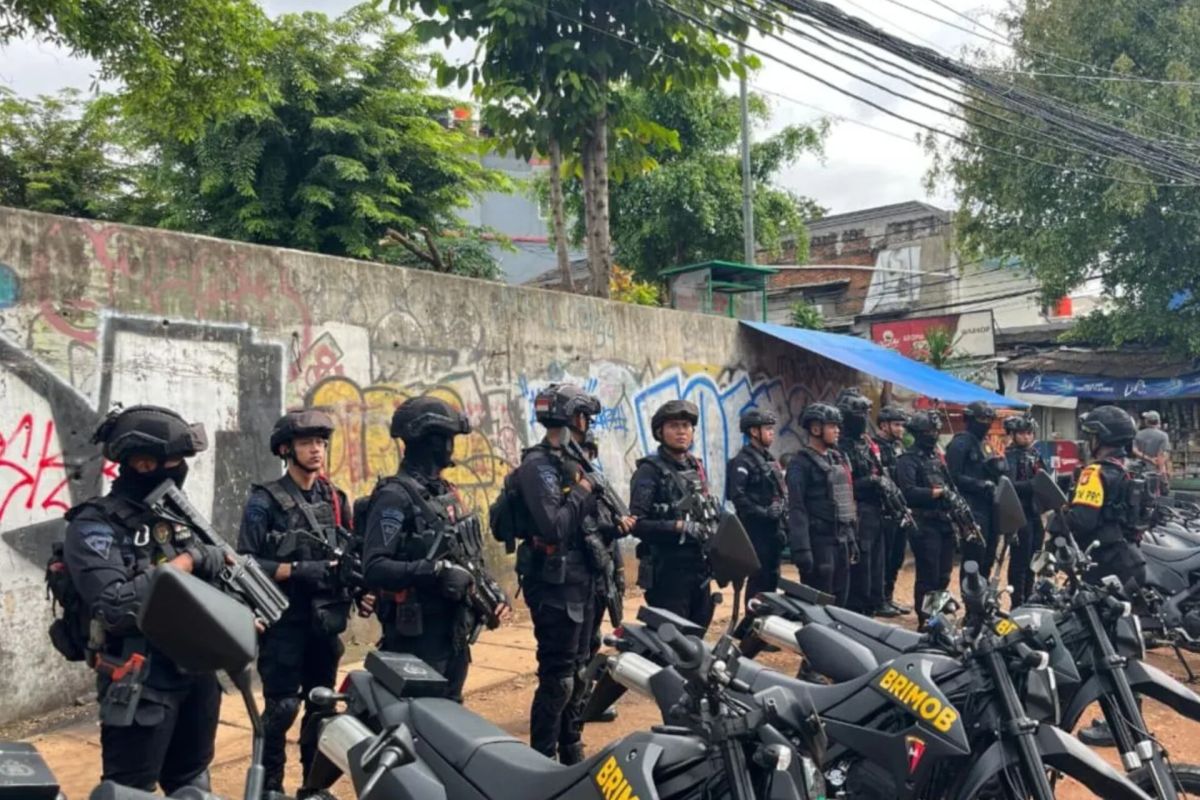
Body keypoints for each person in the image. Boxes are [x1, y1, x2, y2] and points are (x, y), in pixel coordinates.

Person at [62, 405, 226, 793]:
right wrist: (187, 562)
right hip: (140, 682)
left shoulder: (177, 518)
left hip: (196, 673)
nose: (180, 469)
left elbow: (209, 591)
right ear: (142, 463)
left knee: (193, 783)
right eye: (172, 461)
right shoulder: (94, 525)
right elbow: (115, 606)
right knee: (129, 790)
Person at [238, 409, 359, 797]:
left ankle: (313, 786)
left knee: (322, 710)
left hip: (324, 623)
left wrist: (361, 587)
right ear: (286, 449)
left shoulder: (336, 499)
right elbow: (246, 562)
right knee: (281, 710)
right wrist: (295, 570)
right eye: (307, 443)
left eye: (321, 443)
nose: (316, 450)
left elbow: (351, 553)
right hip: (283, 623)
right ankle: (270, 787)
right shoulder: (264, 502)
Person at [362, 397, 507, 705]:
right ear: (430, 442)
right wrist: (434, 572)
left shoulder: (446, 493)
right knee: (419, 718)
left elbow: (469, 556)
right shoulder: (394, 497)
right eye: (447, 439)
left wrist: (491, 591)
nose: (452, 448)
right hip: (417, 638)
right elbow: (374, 566)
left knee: (449, 716)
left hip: (453, 631)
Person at [512, 384, 626, 763]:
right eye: (586, 418)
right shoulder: (538, 466)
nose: (587, 425)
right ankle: (542, 759)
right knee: (558, 676)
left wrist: (616, 525)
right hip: (555, 585)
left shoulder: (578, 464)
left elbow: (593, 521)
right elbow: (554, 526)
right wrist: (584, 490)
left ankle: (571, 746)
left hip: (587, 580)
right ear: (576, 418)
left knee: (581, 671)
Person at [1067, 405, 1158, 747]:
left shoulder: (1095, 473)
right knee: (1121, 642)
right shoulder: (1134, 470)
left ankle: (1119, 724)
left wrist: (1059, 516)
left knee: (1105, 647)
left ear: (1102, 438)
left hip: (1104, 567)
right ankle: (1125, 719)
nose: (1088, 440)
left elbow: (1083, 522)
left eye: (1092, 434)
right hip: (1129, 562)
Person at [630, 399, 722, 629]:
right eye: (673, 426)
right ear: (660, 432)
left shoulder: (695, 467)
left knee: (696, 637)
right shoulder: (649, 471)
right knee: (671, 642)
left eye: (686, 426)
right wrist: (679, 527)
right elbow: (637, 524)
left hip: (699, 569)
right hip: (668, 572)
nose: (681, 431)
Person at [786, 403, 857, 607]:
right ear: (816, 429)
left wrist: (851, 538)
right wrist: (802, 550)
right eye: (832, 426)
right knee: (820, 602)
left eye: (838, 426)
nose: (837, 431)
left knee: (841, 600)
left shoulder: (837, 458)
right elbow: (797, 508)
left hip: (841, 540)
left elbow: (846, 500)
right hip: (819, 543)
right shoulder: (800, 464)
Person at [580, 432, 626, 724]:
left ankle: (584, 700)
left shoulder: (600, 484)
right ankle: (579, 703)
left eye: (588, 451)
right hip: (580, 575)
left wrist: (619, 570)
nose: (585, 457)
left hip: (603, 573)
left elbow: (613, 533)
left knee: (593, 639)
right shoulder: (571, 490)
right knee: (579, 645)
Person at [896, 411, 957, 628]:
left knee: (943, 575)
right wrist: (936, 493)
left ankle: (937, 614)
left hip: (944, 522)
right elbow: (908, 492)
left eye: (935, 431)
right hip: (923, 523)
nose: (933, 435)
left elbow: (951, 486)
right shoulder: (907, 460)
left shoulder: (936, 458)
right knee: (928, 575)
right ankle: (926, 620)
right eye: (929, 432)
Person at [726, 408, 787, 607]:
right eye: (767, 428)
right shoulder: (743, 461)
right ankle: (751, 625)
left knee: (772, 577)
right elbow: (738, 497)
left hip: (773, 530)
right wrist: (764, 512)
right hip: (754, 531)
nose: (771, 433)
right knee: (758, 581)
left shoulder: (769, 459)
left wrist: (781, 508)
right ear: (754, 432)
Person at [836, 389, 887, 617]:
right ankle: (859, 607)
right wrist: (871, 481)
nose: (865, 419)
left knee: (877, 561)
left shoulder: (866, 444)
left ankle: (874, 602)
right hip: (858, 510)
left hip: (875, 509)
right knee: (862, 562)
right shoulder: (841, 447)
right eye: (861, 414)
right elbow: (845, 484)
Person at [946, 400, 1006, 577]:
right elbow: (953, 477)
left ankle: (984, 595)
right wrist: (980, 485)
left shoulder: (986, 444)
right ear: (970, 419)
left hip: (990, 505)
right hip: (971, 507)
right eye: (982, 418)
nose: (986, 423)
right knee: (974, 556)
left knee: (989, 553)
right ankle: (971, 597)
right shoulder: (960, 444)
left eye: (989, 419)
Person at [1003, 415, 1047, 607]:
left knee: (1035, 557)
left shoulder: (1036, 455)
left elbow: (1045, 480)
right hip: (1017, 513)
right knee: (1019, 560)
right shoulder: (1008, 456)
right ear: (1013, 434)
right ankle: (1017, 600)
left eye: (1029, 433)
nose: (1026, 437)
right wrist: (1031, 485)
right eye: (1022, 433)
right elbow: (1008, 485)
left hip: (1035, 512)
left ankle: (1029, 596)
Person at [873, 404, 911, 616]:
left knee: (896, 557)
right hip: (883, 511)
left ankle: (888, 596)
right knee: (883, 558)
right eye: (897, 425)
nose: (901, 429)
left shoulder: (898, 447)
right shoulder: (874, 447)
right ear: (884, 425)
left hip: (900, 509)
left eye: (901, 425)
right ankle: (879, 600)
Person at [1134, 410, 1171, 493]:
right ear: (1158, 421)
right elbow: (1161, 455)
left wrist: (1148, 458)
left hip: (1139, 470)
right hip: (1155, 472)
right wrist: (1163, 475)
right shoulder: (1163, 436)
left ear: (1146, 421)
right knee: (1154, 495)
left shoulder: (1138, 434)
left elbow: (1134, 450)